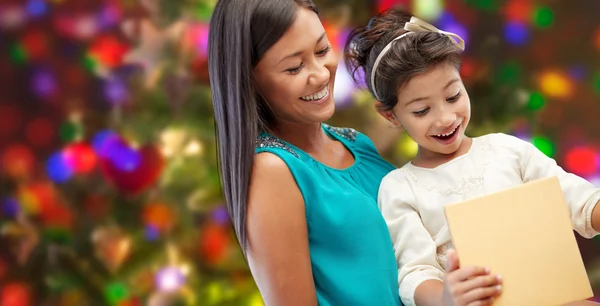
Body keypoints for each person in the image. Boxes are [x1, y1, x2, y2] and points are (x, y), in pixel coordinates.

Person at [344, 7, 600, 306]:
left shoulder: (507, 150)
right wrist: (445, 297)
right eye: (421, 111)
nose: (445, 118)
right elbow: (414, 272)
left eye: (453, 96)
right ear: (391, 114)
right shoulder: (400, 187)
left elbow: (577, 200)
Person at [208, 0, 402, 305]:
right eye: (294, 67)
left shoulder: (356, 143)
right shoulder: (273, 171)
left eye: (322, 50)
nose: (320, 74)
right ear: (250, 82)